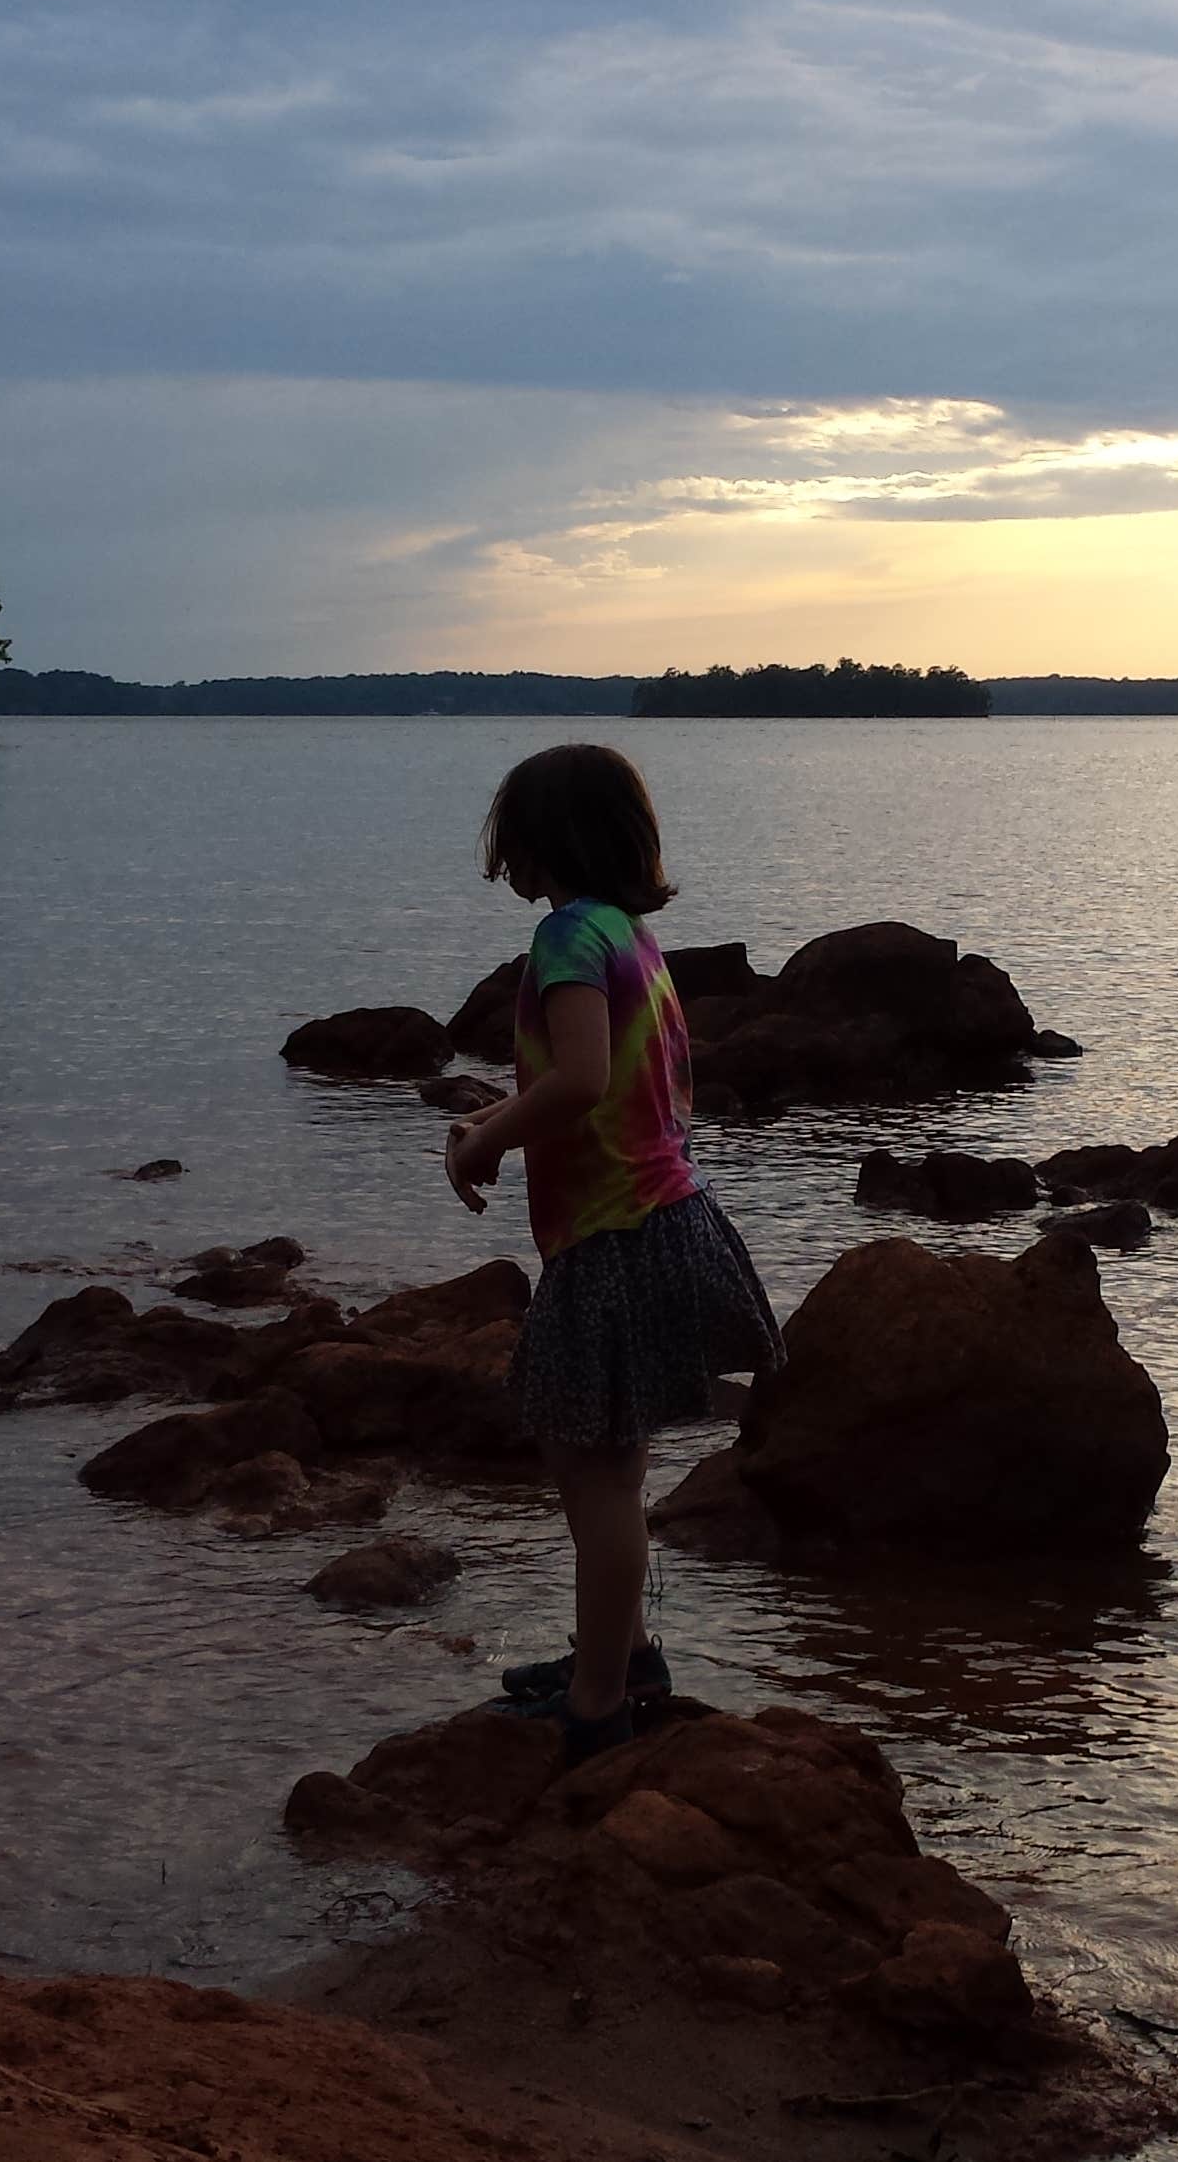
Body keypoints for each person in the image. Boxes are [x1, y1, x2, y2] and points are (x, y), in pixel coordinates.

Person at [442, 742, 782, 1762]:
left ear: (546, 843)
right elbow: (601, 1083)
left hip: (616, 1236)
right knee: (604, 1461)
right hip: (665, 1217)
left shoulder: (563, 942)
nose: (509, 862)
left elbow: (584, 1079)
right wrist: (501, 1119)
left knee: (590, 1472)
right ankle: (623, 1655)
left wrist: (491, 1134)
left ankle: (597, 1702)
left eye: (515, 839)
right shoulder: (626, 936)